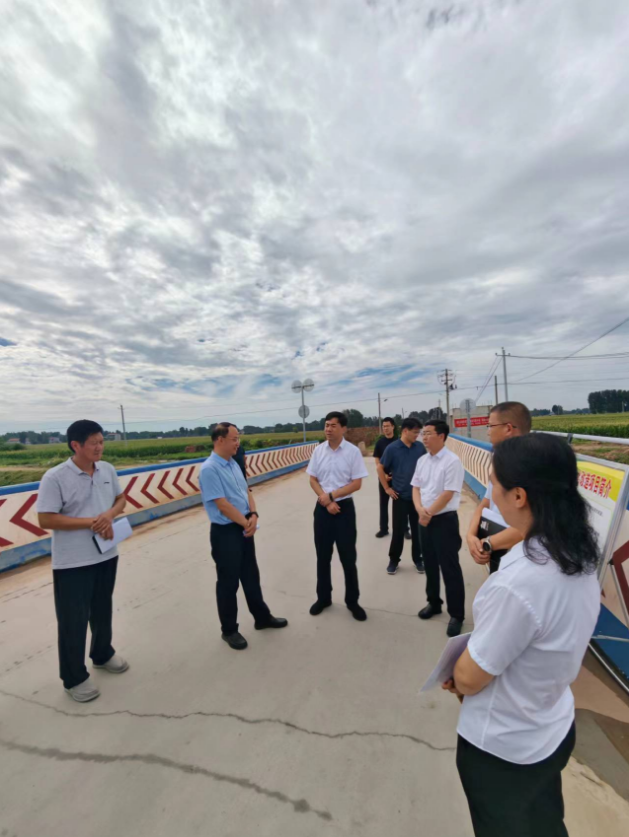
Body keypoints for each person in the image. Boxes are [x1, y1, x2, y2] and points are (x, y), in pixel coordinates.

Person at [443, 434, 600, 837]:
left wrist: (456, 674)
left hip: (504, 750)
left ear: (519, 496)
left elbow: (470, 678)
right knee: (544, 823)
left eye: (495, 483)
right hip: (550, 727)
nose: (490, 493)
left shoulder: (520, 582)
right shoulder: (576, 552)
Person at [36, 420, 129, 703]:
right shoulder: (55, 477)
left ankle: (102, 653)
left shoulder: (107, 469)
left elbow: (120, 499)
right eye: (93, 443)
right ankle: (74, 677)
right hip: (73, 562)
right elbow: (46, 518)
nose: (99, 447)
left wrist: (109, 515)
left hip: (106, 552)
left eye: (101, 441)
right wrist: (92, 522)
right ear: (75, 445)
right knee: (72, 620)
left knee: (102, 609)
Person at [199, 422, 287, 650]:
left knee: (251, 576)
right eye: (234, 439)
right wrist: (245, 521)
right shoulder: (210, 469)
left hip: (245, 525)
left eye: (238, 438)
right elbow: (222, 504)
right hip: (226, 532)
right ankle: (229, 630)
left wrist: (254, 514)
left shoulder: (233, 464)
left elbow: (246, 491)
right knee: (228, 582)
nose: (238, 443)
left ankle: (262, 617)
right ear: (220, 440)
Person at [306, 411, 369, 621]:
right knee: (323, 557)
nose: (328, 429)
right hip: (322, 509)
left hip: (344, 510)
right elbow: (312, 479)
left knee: (348, 558)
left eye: (333, 425)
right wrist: (325, 500)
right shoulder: (318, 451)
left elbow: (357, 483)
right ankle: (323, 598)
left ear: (343, 429)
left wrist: (332, 496)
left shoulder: (352, 452)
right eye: (326, 425)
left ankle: (353, 601)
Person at [411, 419, 466, 637]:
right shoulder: (422, 460)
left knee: (450, 567)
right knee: (430, 564)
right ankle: (434, 603)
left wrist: (428, 513)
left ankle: (457, 614)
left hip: (444, 521)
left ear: (441, 436)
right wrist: (419, 510)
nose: (423, 437)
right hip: (424, 519)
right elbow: (416, 487)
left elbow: (448, 493)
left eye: (428, 433)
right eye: (422, 434)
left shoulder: (452, 461)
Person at [466, 402, 532, 573]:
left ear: (508, 428)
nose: (488, 431)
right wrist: (471, 536)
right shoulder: (500, 461)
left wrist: (488, 543)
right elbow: (486, 502)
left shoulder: (532, 464)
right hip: (496, 550)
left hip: (521, 559)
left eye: (490, 426)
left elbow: (533, 522)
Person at [377, 417, 426, 574]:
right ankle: (394, 560)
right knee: (398, 531)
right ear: (405, 431)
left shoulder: (420, 448)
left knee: (418, 531)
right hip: (400, 496)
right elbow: (380, 468)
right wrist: (387, 488)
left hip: (418, 497)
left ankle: (418, 559)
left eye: (418, 432)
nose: (417, 435)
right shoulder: (392, 449)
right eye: (415, 432)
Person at [373, 417, 397, 537]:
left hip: (397, 478)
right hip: (384, 478)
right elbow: (377, 460)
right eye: (383, 426)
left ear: (393, 427)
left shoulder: (399, 441)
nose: (385, 428)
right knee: (383, 504)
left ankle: (404, 529)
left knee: (400, 506)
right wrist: (383, 474)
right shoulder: (380, 443)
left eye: (387, 426)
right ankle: (383, 529)